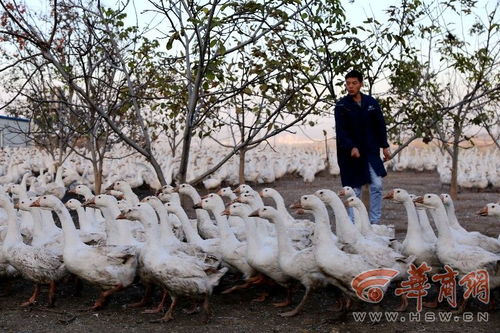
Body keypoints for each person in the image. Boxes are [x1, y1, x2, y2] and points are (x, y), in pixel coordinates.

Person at [334, 70, 391, 224]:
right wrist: (351, 146)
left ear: (361, 84)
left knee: (377, 185)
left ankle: (374, 222)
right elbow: (341, 131)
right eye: (348, 83)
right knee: (355, 190)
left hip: (370, 151)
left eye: (354, 83)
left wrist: (384, 146)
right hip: (350, 155)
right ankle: (354, 223)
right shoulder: (341, 106)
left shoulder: (371, 103)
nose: (350, 86)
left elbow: (380, 125)